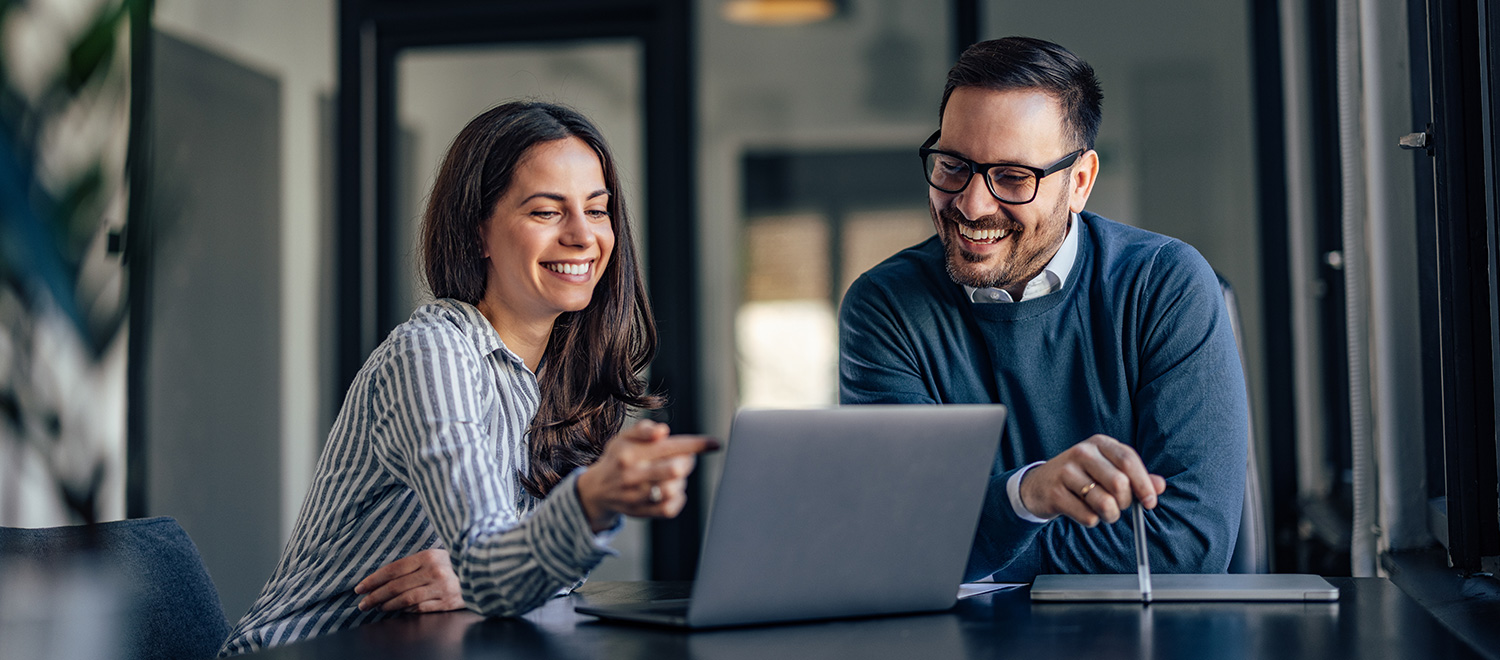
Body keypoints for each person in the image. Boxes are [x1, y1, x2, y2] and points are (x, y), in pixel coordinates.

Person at [220, 102, 716, 655]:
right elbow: (496, 567)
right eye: (547, 212)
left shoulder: (562, 375)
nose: (583, 236)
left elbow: (510, 575)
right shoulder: (432, 354)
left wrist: (475, 579)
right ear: (479, 231)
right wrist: (582, 508)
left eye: (596, 211)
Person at [838, 37, 1248, 582]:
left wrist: (979, 541)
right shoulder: (884, 307)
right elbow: (907, 539)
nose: (971, 204)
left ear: (1079, 182)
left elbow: (1186, 546)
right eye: (953, 165)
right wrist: (1025, 496)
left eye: (1012, 177)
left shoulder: (1166, 285)